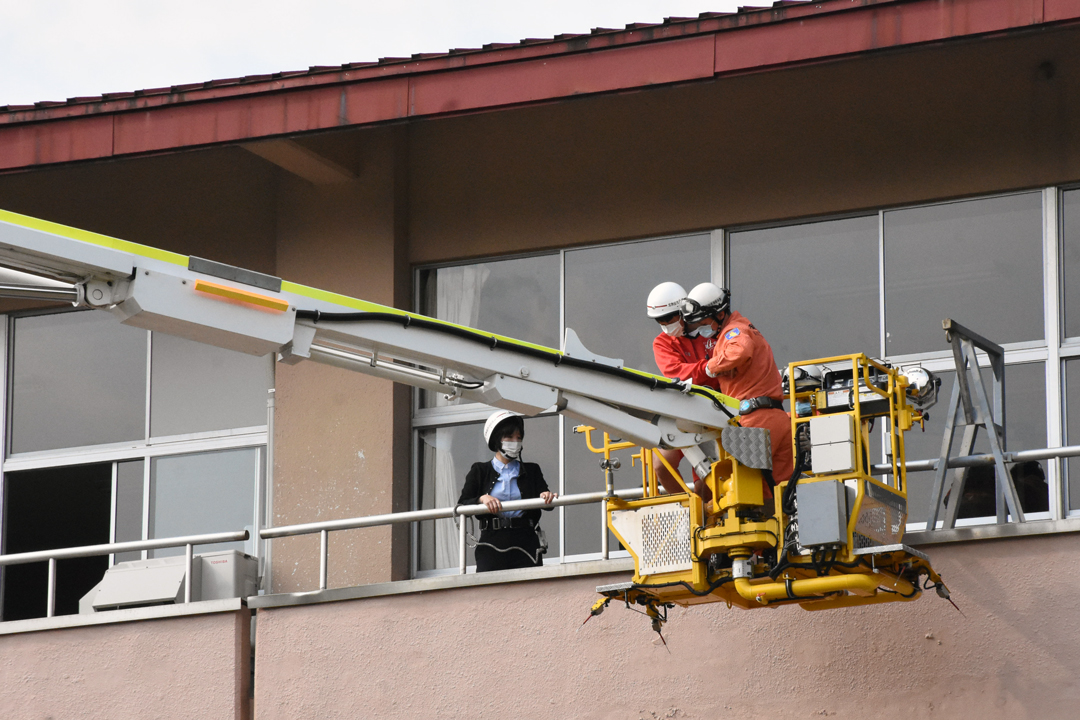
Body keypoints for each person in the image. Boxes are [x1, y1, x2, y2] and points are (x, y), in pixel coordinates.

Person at [680, 282, 794, 492]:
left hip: (755, 422)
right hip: (775, 418)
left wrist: (709, 368)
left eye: (702, 321)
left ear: (719, 314)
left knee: (741, 491)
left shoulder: (734, 331)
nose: (700, 327)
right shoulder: (745, 327)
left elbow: (740, 352)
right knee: (775, 491)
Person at [458, 410, 558, 572]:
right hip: (492, 540)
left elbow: (547, 502)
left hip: (525, 539)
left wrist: (546, 496)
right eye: (509, 437)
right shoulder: (480, 470)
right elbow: (462, 504)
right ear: (497, 440)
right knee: (490, 590)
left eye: (519, 438)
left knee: (529, 589)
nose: (515, 442)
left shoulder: (531, 470)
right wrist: (482, 499)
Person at [647, 281, 719, 500]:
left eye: (669, 317)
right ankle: (690, 509)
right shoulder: (662, 343)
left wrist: (709, 370)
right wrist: (710, 368)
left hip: (718, 409)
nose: (665, 324)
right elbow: (676, 373)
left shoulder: (710, 330)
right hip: (685, 409)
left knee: (707, 479)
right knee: (662, 466)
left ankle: (706, 512)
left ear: (682, 311)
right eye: (660, 320)